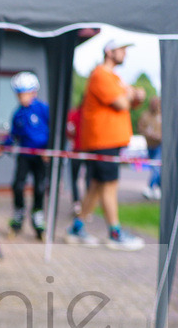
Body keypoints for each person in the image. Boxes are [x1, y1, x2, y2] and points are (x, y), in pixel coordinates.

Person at [66, 39, 146, 251]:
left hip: (110, 140)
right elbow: (121, 102)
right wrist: (131, 93)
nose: (125, 55)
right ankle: (114, 232)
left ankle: (77, 227)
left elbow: (132, 100)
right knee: (109, 185)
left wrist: (132, 95)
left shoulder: (114, 77)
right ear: (110, 52)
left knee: (97, 185)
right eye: (122, 50)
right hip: (103, 140)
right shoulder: (101, 74)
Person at [0, 72, 50, 240]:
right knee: (18, 185)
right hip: (24, 155)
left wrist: (49, 150)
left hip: (41, 156)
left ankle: (38, 218)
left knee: (40, 187)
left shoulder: (43, 109)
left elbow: (55, 130)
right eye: (19, 94)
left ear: (34, 92)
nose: (22, 97)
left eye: (25, 93)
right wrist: (3, 146)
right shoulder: (18, 114)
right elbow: (13, 136)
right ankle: (18, 215)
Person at [137, 95, 162, 200]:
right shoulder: (145, 115)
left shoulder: (162, 115)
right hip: (150, 145)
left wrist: (159, 136)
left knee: (156, 166)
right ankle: (159, 188)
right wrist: (147, 133)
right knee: (155, 167)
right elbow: (140, 128)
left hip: (160, 145)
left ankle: (150, 187)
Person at [65, 101, 85, 215]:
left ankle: (82, 204)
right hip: (77, 150)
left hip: (88, 151)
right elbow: (69, 132)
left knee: (87, 179)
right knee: (75, 178)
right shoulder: (74, 114)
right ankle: (77, 203)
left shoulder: (90, 114)